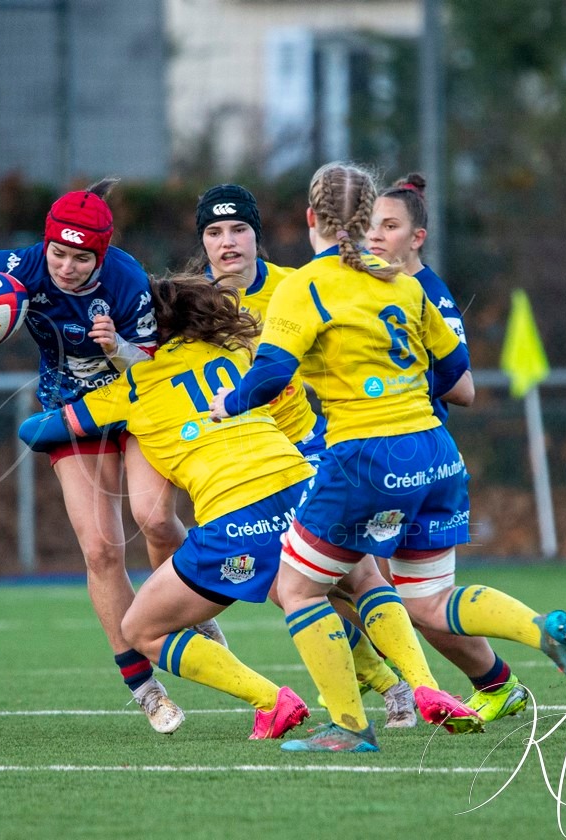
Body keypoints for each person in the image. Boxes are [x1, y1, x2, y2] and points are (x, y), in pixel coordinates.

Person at [210, 162, 484, 752]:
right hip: (429, 452)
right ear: (368, 222)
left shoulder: (303, 285)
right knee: (370, 579)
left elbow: (272, 373)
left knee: (299, 589)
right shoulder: (401, 280)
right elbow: (456, 370)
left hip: (359, 456)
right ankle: (433, 685)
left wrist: (229, 404)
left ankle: (349, 726)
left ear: (309, 218)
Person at [0, 180, 189, 733]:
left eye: (79, 257)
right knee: (99, 550)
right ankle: (145, 688)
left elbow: (156, 369)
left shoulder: (127, 281)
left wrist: (118, 348)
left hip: (134, 406)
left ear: (102, 255)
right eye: (58, 252)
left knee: (156, 517)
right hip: (68, 413)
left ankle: (191, 606)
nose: (64, 266)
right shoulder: (26, 262)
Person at [17, 273, 317, 740]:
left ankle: (271, 700)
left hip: (236, 523)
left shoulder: (139, 383)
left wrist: (113, 408)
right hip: (305, 490)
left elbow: (36, 431)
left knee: (141, 629)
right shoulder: (235, 351)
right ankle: (409, 689)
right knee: (347, 587)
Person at [365, 174, 566, 716]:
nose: (376, 236)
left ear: (417, 237)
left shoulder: (424, 294)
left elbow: (461, 386)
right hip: (425, 460)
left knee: (329, 581)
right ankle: (512, 666)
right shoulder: (378, 288)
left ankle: (385, 700)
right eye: (372, 225)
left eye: (391, 226)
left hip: (392, 457)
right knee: (424, 602)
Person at [193, 185, 417, 729]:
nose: (228, 243)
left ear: (257, 236)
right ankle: (396, 688)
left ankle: (407, 686)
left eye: (239, 229)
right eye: (215, 232)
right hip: (245, 468)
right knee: (290, 588)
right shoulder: (188, 303)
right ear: (202, 241)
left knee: (348, 576)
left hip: (307, 450)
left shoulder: (296, 285)